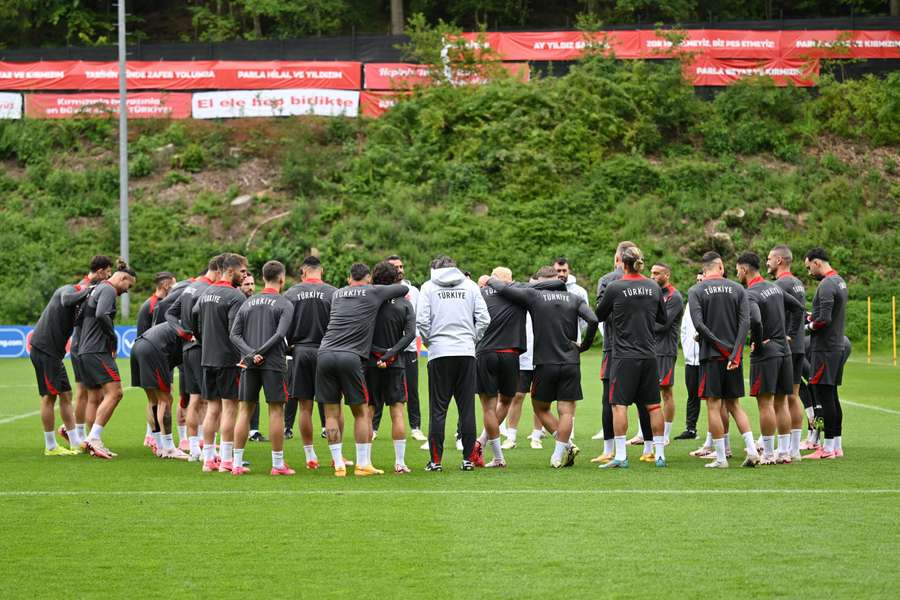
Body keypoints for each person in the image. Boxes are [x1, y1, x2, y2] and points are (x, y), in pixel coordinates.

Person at [487, 266, 597, 468]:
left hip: (545, 362)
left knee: (540, 407)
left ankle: (564, 448)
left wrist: (489, 279)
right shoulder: (574, 298)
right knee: (566, 411)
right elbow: (593, 319)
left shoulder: (534, 295)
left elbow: (503, 289)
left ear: (542, 281)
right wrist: (585, 346)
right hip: (571, 361)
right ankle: (558, 454)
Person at [317, 263, 408, 476]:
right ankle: (362, 464)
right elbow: (402, 289)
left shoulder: (338, 293)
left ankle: (338, 464)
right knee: (362, 412)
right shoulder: (372, 291)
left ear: (349, 278)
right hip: (350, 356)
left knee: (330, 413)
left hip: (325, 353)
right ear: (368, 278)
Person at [595, 246, 669, 468]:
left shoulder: (615, 287)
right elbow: (663, 319)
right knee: (654, 405)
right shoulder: (653, 285)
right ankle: (659, 455)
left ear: (621, 263)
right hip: (649, 354)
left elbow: (599, 315)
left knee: (619, 405)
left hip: (624, 356)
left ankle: (620, 456)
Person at [418, 256, 490, 472]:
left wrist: (433, 342)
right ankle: (468, 459)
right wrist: (472, 339)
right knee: (467, 408)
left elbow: (421, 321)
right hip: (466, 351)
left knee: (438, 409)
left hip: (439, 353)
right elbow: (484, 319)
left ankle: (436, 461)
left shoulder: (428, 287)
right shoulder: (469, 286)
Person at [689, 251, 759, 469]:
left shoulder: (695, 290)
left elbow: (699, 325)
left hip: (711, 356)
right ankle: (753, 450)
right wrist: (735, 352)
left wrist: (719, 347)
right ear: (720, 266)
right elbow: (745, 322)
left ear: (705, 268)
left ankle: (720, 458)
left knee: (713, 405)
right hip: (733, 357)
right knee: (735, 405)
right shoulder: (738, 289)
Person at [230, 260, 295, 476]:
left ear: (264, 278)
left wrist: (250, 354)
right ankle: (277, 465)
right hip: (273, 363)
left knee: (244, 410)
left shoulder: (247, 302)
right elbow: (279, 335)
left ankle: (236, 463)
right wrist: (261, 353)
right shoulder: (284, 303)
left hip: (249, 363)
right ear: (282, 278)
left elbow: (234, 335)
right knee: (276, 410)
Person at [737, 252, 803, 464]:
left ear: (745, 270)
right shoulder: (774, 287)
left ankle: (767, 453)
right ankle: (783, 453)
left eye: (738, 269)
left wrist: (756, 341)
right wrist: (789, 334)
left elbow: (755, 321)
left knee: (765, 403)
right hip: (785, 351)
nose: (737, 273)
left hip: (767, 353)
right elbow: (799, 308)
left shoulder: (751, 293)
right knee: (782, 401)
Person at [192, 252, 248, 473]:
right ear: (231, 271)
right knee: (229, 408)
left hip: (207, 358)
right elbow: (235, 331)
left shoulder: (206, 292)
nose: (244, 276)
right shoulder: (235, 297)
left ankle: (208, 461)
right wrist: (246, 353)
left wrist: (203, 340)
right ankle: (226, 460)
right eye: (243, 271)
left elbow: (194, 320)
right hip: (228, 359)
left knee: (212, 408)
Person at [79, 260, 137, 459]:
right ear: (122, 278)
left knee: (96, 396)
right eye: (129, 286)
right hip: (97, 350)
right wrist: (112, 339)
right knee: (116, 393)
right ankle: (93, 438)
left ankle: (92, 439)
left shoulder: (97, 288)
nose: (127, 291)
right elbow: (102, 314)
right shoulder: (109, 290)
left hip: (86, 349)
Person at [283, 255, 337, 469]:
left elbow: (283, 328)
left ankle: (310, 455)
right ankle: (336, 456)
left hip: (301, 352)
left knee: (305, 408)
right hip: (326, 351)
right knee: (333, 408)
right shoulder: (333, 293)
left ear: (303, 271)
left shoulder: (291, 293)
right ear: (321, 270)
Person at [30, 276, 94, 455]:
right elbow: (67, 299)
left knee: (65, 394)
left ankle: (74, 442)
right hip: (45, 350)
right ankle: (51, 446)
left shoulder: (77, 304)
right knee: (50, 397)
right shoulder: (69, 290)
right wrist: (88, 290)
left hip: (52, 353)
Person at [166, 256, 221, 461]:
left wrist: (182, 332)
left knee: (194, 398)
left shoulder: (190, 287)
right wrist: (198, 333)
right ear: (217, 271)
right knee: (210, 401)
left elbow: (170, 313)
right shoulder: (207, 290)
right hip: (200, 348)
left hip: (187, 349)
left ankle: (194, 449)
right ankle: (209, 450)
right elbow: (200, 315)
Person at [472, 267, 527, 468]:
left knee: (488, 406)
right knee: (505, 401)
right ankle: (486, 447)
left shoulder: (479, 292)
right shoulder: (519, 292)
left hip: (486, 353)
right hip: (510, 354)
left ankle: (491, 452)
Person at [366, 261, 417, 473]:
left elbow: (362, 333)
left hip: (370, 362)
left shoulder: (368, 301)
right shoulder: (405, 303)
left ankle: (365, 461)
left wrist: (378, 353)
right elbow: (411, 334)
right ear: (396, 278)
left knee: (367, 413)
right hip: (395, 363)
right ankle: (400, 463)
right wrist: (390, 354)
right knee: (397, 412)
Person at [803, 248, 849, 460]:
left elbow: (824, 320)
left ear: (817, 262)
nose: (809, 272)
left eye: (809, 266)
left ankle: (828, 448)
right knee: (832, 395)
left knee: (823, 395)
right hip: (836, 345)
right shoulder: (839, 281)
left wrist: (808, 327)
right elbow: (827, 314)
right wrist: (814, 316)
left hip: (825, 348)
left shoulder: (827, 284)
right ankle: (836, 445)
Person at [767, 245, 808, 460]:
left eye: (770, 259)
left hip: (785, 349)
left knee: (779, 399)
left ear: (780, 260)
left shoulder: (780, 284)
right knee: (793, 396)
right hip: (799, 346)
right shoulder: (798, 283)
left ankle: (782, 448)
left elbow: (786, 314)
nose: (767, 263)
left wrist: (787, 335)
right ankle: (794, 449)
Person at [70, 255, 112, 450]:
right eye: (108, 272)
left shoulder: (88, 287)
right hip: (83, 345)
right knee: (87, 393)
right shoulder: (84, 287)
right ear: (101, 271)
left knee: (96, 394)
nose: (110, 276)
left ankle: (83, 435)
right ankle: (80, 436)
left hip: (81, 345)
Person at [131, 321, 188, 459]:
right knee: (165, 400)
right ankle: (168, 448)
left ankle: (160, 446)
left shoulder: (178, 323)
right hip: (153, 349)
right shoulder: (191, 328)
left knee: (153, 400)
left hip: (138, 346)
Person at [386, 255, 426, 442]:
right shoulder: (382, 290)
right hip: (387, 346)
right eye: (396, 267)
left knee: (412, 388)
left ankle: (416, 427)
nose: (400, 270)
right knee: (380, 388)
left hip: (408, 347)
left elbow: (417, 318)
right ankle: (375, 426)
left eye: (402, 266)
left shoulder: (413, 291)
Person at [135, 271, 176, 450]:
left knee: (159, 399)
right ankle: (155, 438)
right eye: (174, 285)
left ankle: (152, 436)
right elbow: (147, 334)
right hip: (155, 355)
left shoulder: (160, 304)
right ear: (166, 285)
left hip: (158, 355)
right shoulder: (152, 306)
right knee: (162, 398)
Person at [650, 262, 684, 446]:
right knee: (647, 392)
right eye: (651, 272)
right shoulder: (652, 293)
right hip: (648, 349)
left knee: (666, 392)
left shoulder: (674, 297)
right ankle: (645, 433)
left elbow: (663, 325)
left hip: (664, 351)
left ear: (667, 274)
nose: (652, 276)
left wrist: (641, 327)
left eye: (657, 273)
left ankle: (665, 434)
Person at [674, 272, 703, 441]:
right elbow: (684, 328)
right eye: (697, 279)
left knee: (714, 398)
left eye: (702, 279)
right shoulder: (690, 303)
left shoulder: (710, 301)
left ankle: (718, 434)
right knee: (692, 394)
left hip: (707, 358)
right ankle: (690, 429)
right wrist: (687, 349)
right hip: (691, 360)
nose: (698, 282)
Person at [238, 273, 265, 442]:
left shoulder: (254, 302)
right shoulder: (238, 302)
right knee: (241, 398)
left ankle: (253, 431)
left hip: (252, 355)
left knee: (252, 395)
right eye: (246, 284)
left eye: (252, 283)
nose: (250, 287)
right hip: (240, 355)